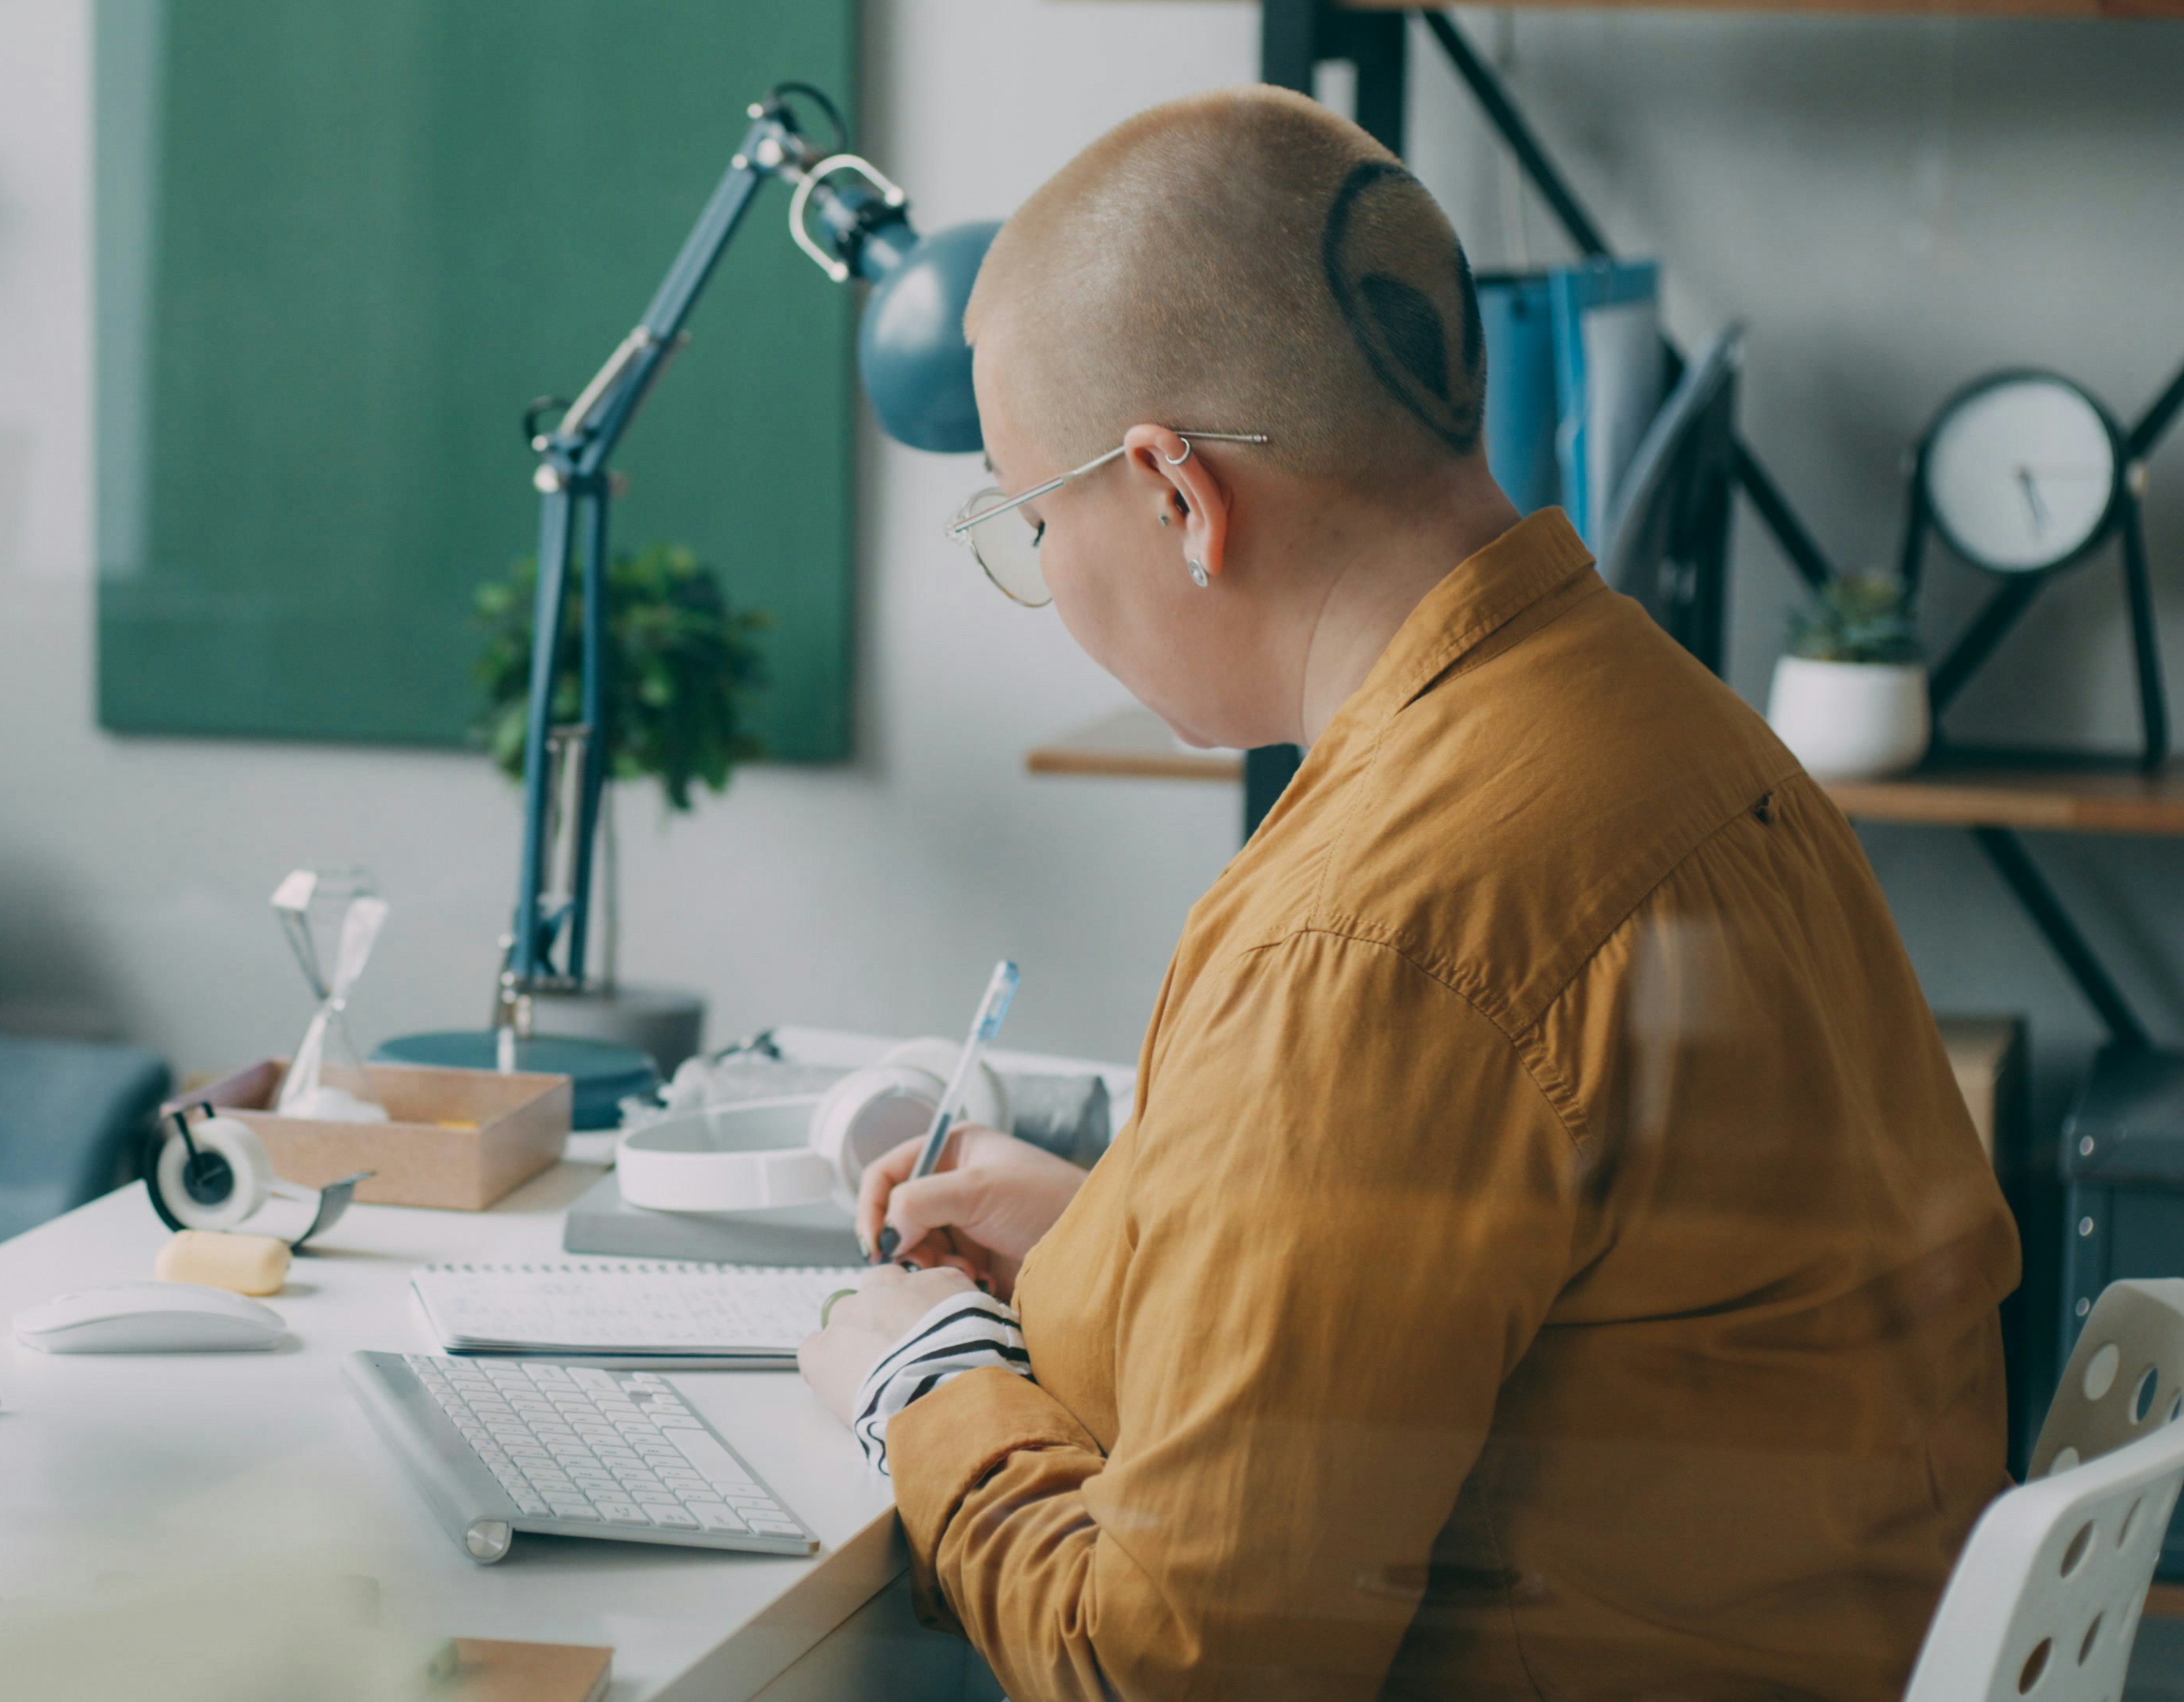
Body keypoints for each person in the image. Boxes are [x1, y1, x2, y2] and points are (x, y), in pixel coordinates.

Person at [797, 87, 2015, 1701]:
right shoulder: (1662, 724)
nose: (1044, 582)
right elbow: (1533, 1296)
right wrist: (1127, 1240)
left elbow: (1170, 1671)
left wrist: (923, 1383)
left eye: (1028, 517)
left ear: (1174, 496)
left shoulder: (1379, 930)